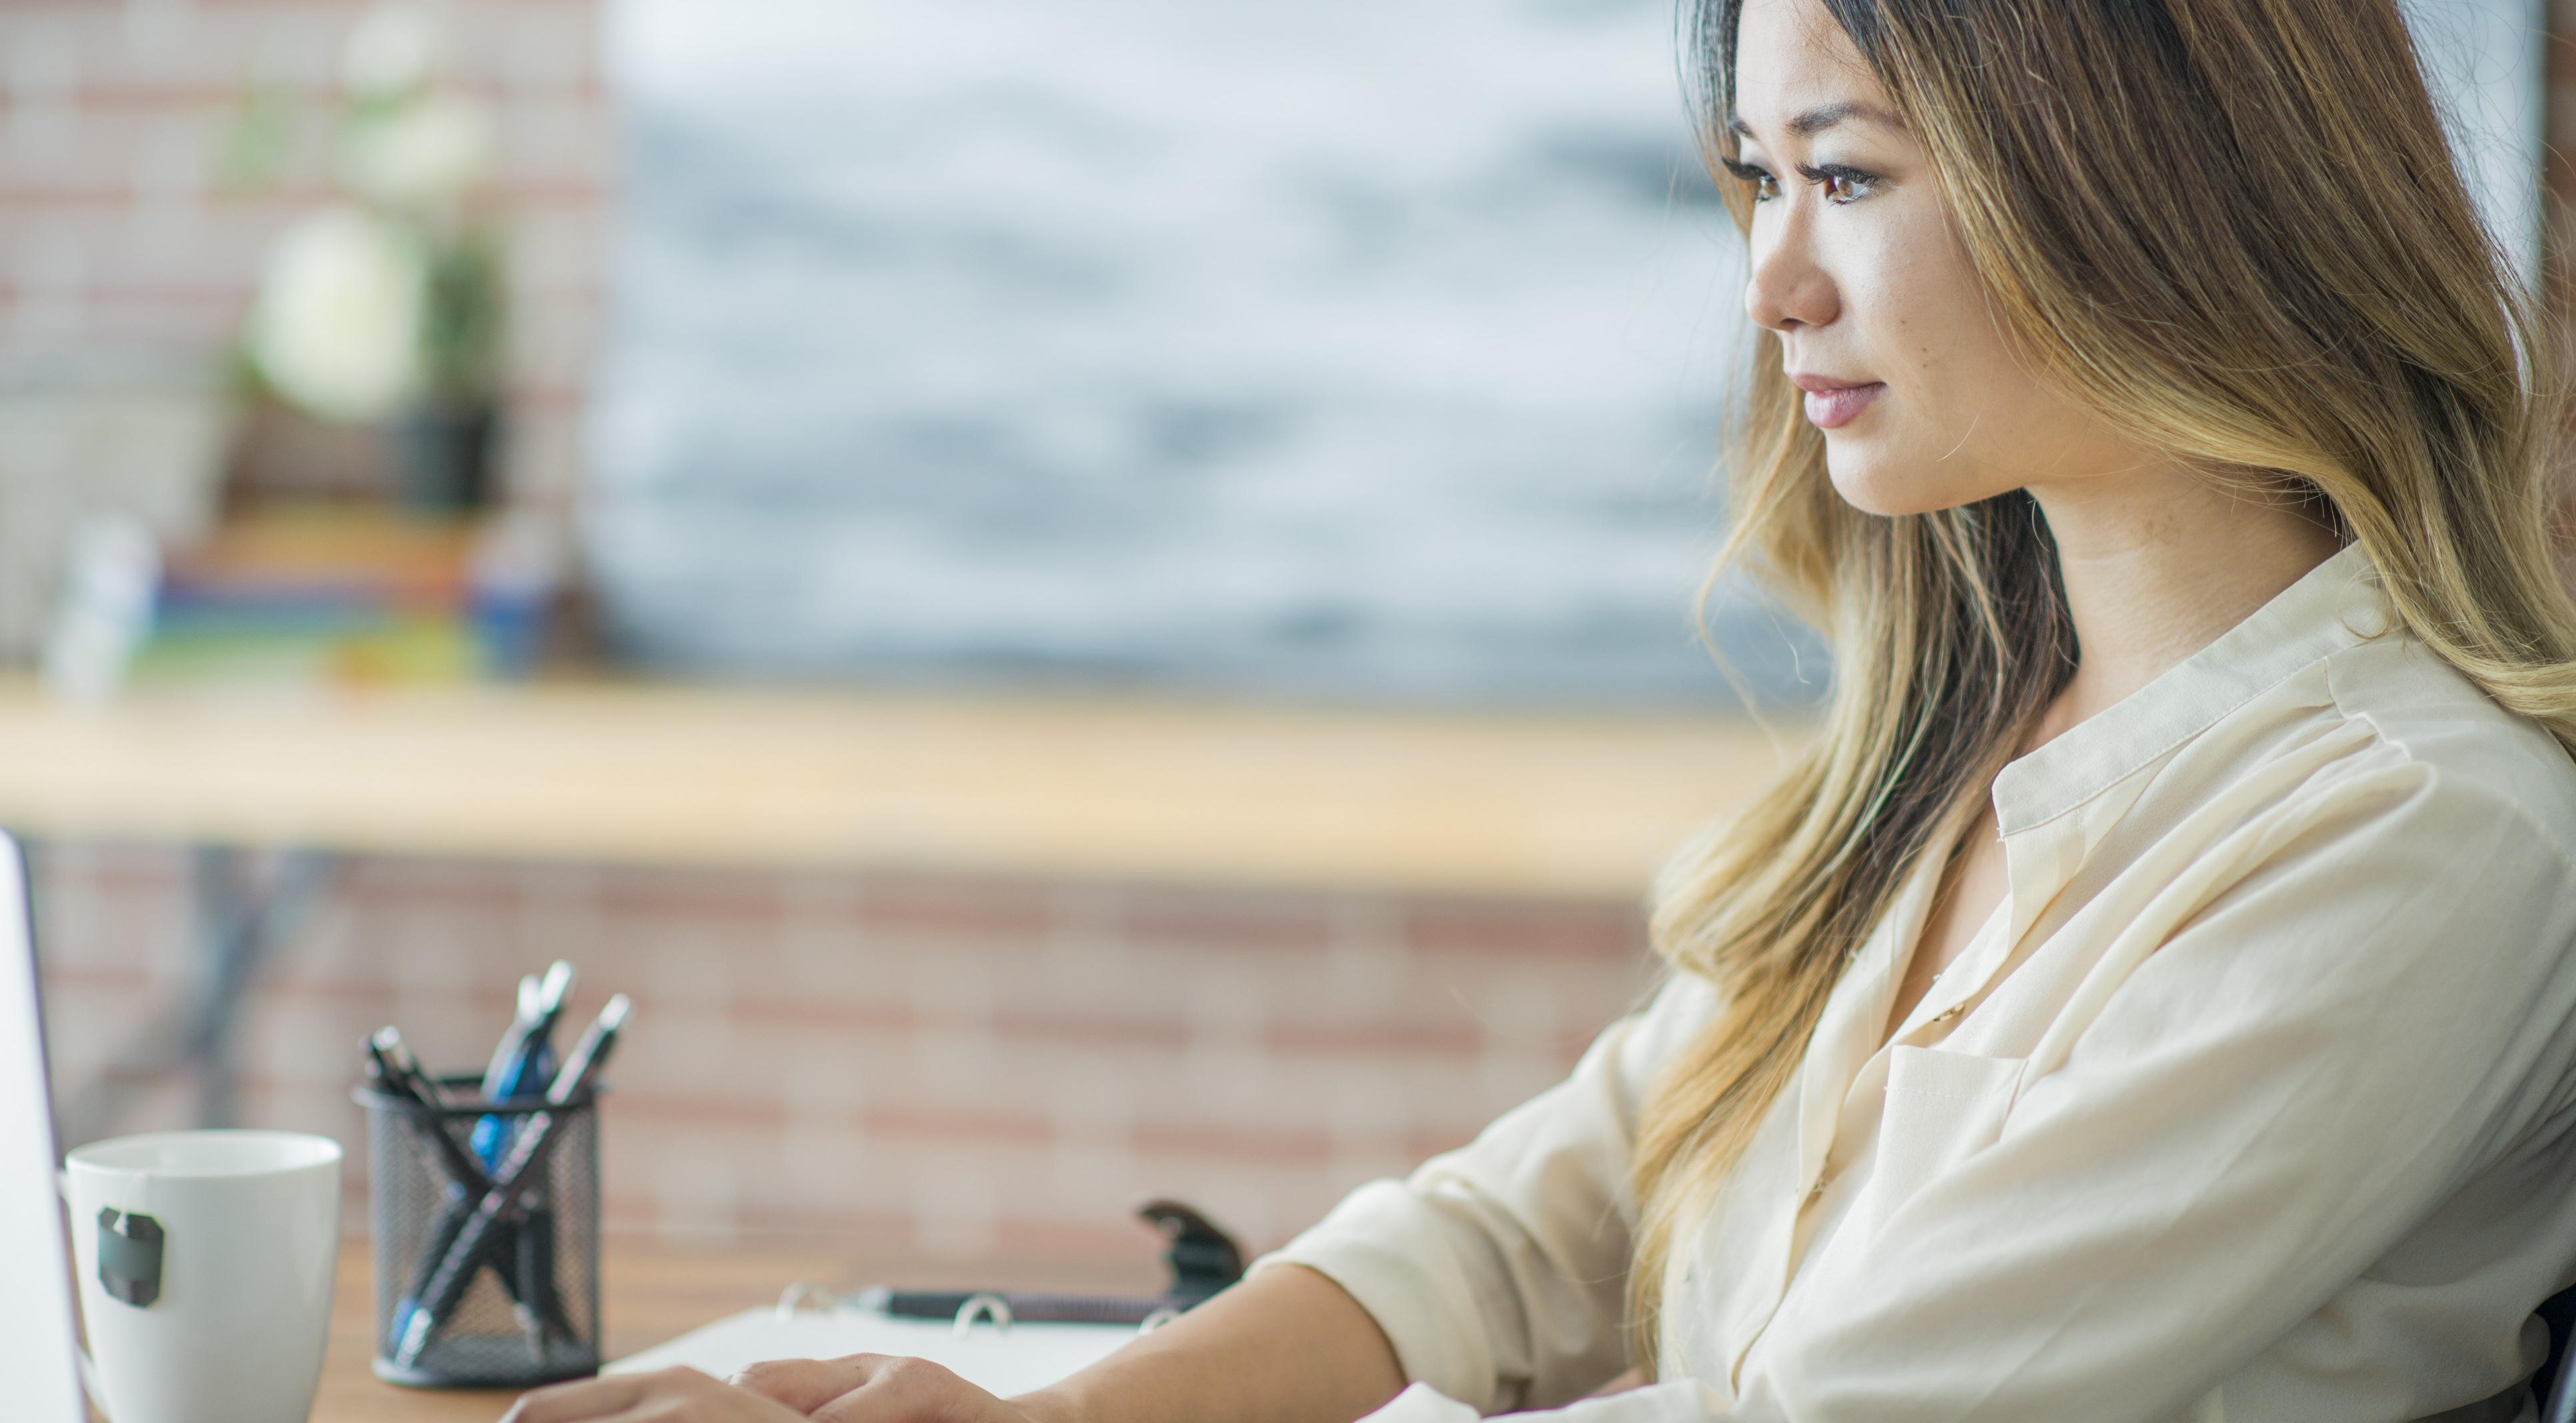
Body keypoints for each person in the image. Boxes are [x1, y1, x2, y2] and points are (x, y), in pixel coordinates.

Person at [501, 0, 2576, 1418]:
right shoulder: (1980, 743)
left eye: (1845, 179)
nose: (1771, 283)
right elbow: (1544, 1212)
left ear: (2145, 190)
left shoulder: (2421, 836)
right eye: (1755, 181)